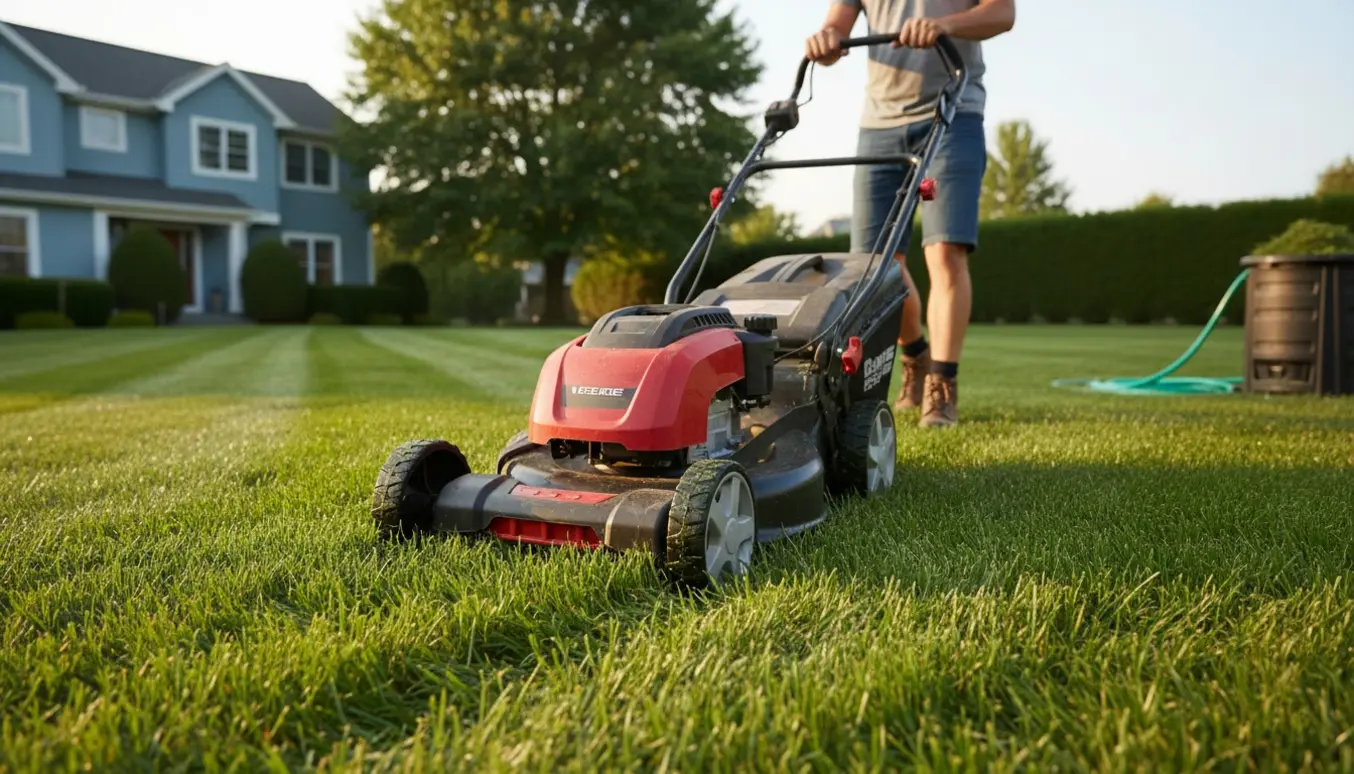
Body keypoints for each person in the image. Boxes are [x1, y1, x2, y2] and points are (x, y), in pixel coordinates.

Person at [806, 0, 1015, 428]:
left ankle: (942, 384)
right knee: (874, 270)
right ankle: (915, 354)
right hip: (879, 123)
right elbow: (837, 24)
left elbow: (1002, 14)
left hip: (954, 110)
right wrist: (827, 40)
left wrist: (942, 25)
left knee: (945, 253)